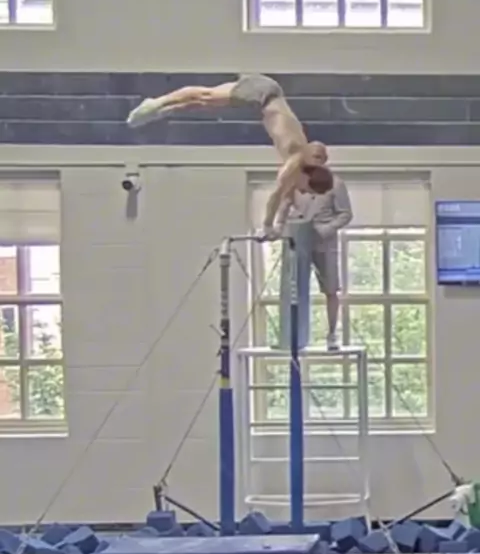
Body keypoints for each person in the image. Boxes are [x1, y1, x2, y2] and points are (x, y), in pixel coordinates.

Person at [127, 74, 333, 235]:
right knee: (205, 95)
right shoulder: (296, 160)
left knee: (202, 103)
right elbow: (276, 196)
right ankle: (156, 102)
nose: (302, 192)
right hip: (263, 94)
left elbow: (286, 198)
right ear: (308, 178)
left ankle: (164, 110)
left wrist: (279, 225)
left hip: (267, 94)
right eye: (306, 189)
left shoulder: (302, 162)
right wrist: (267, 226)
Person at [287, 149, 352, 351]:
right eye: (311, 156)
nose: (314, 160)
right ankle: (296, 334)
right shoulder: (296, 181)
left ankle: (332, 334)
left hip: (324, 241)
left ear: (325, 159)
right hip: (300, 238)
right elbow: (286, 205)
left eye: (318, 157)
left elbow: (346, 214)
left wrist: (327, 228)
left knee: (331, 288)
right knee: (295, 287)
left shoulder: (335, 184)